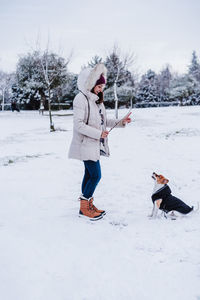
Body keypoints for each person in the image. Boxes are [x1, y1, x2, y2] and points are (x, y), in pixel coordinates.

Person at [68, 63, 131, 220]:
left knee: (89, 175)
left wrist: (122, 121)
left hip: (94, 144)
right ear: (90, 84)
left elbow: (103, 121)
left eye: (103, 86)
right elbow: (79, 124)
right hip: (85, 143)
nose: (101, 89)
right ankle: (85, 207)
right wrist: (98, 134)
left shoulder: (97, 101)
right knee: (96, 175)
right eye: (99, 86)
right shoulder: (80, 99)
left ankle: (87, 204)